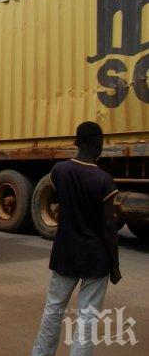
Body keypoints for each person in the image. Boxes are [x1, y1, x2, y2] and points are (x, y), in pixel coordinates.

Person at [30, 121, 121, 356]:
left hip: (65, 253)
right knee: (87, 318)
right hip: (96, 257)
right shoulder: (104, 181)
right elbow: (109, 226)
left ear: (76, 142)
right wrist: (115, 265)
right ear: (99, 145)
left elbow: (62, 201)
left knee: (53, 309)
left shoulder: (59, 171)